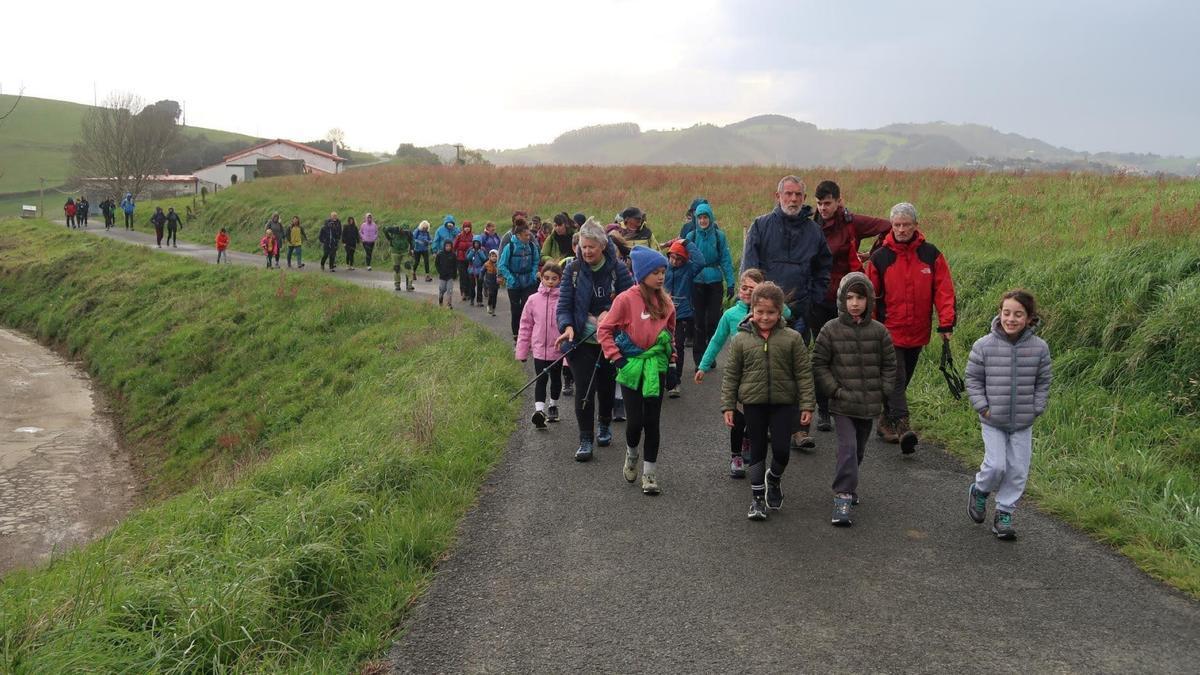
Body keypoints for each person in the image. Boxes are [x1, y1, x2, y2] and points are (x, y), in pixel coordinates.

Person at [740, 175, 832, 451]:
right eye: (788, 194)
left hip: (800, 313)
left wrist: (813, 299)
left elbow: (823, 267)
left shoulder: (814, 231)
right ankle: (762, 425)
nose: (793, 200)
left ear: (804, 199)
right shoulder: (761, 226)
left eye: (798, 195)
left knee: (796, 371)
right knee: (762, 370)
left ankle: (799, 429)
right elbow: (749, 271)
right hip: (764, 314)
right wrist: (754, 308)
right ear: (777, 195)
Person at [720, 281, 815, 521]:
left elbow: (804, 373)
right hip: (753, 403)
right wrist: (728, 405)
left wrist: (806, 405)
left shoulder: (792, 339)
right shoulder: (741, 340)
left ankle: (773, 479)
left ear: (780, 311)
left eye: (771, 312)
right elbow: (731, 375)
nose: (765, 317)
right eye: (760, 311)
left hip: (784, 404)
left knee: (782, 451)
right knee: (758, 450)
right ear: (752, 310)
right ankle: (757, 499)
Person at [866, 202, 956, 452]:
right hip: (888, 331)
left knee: (901, 382)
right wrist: (868, 328)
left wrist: (946, 323)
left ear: (916, 225)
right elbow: (870, 296)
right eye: (897, 225)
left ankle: (885, 422)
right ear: (891, 227)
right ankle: (904, 427)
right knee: (896, 378)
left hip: (918, 332)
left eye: (906, 225)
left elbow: (944, 290)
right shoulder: (880, 258)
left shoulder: (931, 254)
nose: (902, 229)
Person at [812, 272, 898, 527]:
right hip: (842, 403)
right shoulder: (831, 329)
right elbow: (819, 364)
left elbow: (890, 364)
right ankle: (843, 495)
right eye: (849, 297)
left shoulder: (879, 332)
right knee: (847, 447)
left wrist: (883, 390)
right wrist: (834, 390)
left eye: (860, 297)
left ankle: (850, 482)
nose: (855, 303)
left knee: (858, 450)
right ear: (841, 300)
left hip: (869, 403)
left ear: (869, 299)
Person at [965, 289, 1052, 540]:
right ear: (999, 313)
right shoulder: (984, 346)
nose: (1011, 319)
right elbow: (973, 379)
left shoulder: (1039, 348)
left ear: (1029, 318)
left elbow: (1044, 381)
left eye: (1018, 314)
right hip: (993, 419)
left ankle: (1004, 513)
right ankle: (980, 491)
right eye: (1006, 313)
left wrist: (1037, 407)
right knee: (995, 465)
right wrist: (983, 406)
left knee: (1017, 470)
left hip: (1023, 421)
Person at [810, 180, 894, 432]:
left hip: (847, 300)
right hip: (817, 297)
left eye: (827, 203)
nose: (823, 208)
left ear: (838, 201)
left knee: (842, 356)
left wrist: (872, 254)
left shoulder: (851, 222)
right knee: (821, 354)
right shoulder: (811, 225)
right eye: (819, 203)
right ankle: (822, 410)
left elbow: (887, 226)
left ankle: (842, 406)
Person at [695, 268, 794, 478]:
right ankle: (736, 455)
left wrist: (766, 296)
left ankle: (750, 440)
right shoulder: (731, 314)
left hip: (760, 375)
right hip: (739, 373)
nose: (747, 292)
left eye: (752, 288)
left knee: (755, 418)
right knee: (738, 419)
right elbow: (716, 340)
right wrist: (703, 365)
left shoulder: (769, 313)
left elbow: (787, 313)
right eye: (744, 287)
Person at [598, 247, 675, 495]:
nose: (661, 276)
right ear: (641, 273)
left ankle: (649, 473)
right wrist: (617, 358)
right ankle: (632, 453)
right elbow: (605, 330)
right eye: (655, 272)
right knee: (635, 422)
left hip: (656, 366)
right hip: (631, 367)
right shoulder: (625, 299)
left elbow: (669, 335)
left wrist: (671, 362)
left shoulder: (666, 300)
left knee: (653, 421)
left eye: (663, 271)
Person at [556, 218, 635, 461]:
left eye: (591, 246)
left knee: (606, 386)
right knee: (583, 389)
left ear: (602, 246)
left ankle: (604, 423)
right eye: (583, 246)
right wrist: (567, 326)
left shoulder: (617, 269)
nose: (586, 251)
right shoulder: (573, 270)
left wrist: (609, 313)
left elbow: (630, 302)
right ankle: (585, 438)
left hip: (610, 341)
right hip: (580, 340)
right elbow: (564, 305)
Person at [686, 202, 736, 371]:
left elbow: (726, 260)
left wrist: (730, 283)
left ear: (710, 218)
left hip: (715, 281)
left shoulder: (719, 236)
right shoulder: (691, 236)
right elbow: (684, 261)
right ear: (696, 219)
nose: (702, 220)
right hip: (696, 282)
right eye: (699, 217)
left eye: (705, 217)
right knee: (698, 322)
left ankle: (710, 355)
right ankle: (699, 360)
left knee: (713, 321)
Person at [516, 263, 566, 430]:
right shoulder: (532, 300)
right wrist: (522, 351)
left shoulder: (564, 300)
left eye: (554, 278)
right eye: (546, 278)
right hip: (538, 349)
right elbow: (525, 326)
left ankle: (553, 405)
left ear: (560, 279)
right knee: (541, 379)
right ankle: (539, 412)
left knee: (556, 379)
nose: (550, 282)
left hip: (558, 348)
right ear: (541, 277)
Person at [663, 238, 705, 397]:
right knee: (661, 347)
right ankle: (662, 378)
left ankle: (675, 382)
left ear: (685, 260)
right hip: (661, 314)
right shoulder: (662, 268)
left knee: (678, 346)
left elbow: (701, 261)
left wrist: (687, 243)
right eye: (672, 257)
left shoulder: (688, 269)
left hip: (680, 315)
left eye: (679, 259)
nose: (674, 261)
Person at [498, 219, 541, 343]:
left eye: (529, 235)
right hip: (514, 284)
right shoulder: (509, 247)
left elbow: (535, 262)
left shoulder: (532, 247)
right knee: (516, 310)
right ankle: (517, 337)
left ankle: (528, 336)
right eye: (526, 235)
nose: (529, 237)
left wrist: (533, 275)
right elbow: (502, 265)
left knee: (528, 310)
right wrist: (510, 278)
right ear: (518, 235)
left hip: (529, 282)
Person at [383, 223, 415, 291]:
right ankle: (397, 285)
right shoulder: (394, 229)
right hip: (395, 252)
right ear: (400, 228)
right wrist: (389, 239)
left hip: (405, 251)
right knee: (396, 268)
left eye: (406, 230)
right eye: (403, 230)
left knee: (408, 266)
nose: (404, 231)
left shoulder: (408, 233)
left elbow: (412, 241)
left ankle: (409, 285)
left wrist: (412, 249)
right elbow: (384, 230)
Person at [453, 221, 476, 302]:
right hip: (460, 259)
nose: (467, 229)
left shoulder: (473, 236)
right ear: (463, 228)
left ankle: (469, 293)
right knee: (462, 276)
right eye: (465, 227)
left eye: (468, 227)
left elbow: (475, 246)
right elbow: (454, 246)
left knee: (469, 276)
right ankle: (463, 293)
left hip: (469, 260)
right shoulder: (459, 236)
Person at [435, 240, 457, 308]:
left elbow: (455, 265)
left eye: (449, 246)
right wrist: (439, 271)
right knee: (442, 289)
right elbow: (437, 264)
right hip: (442, 275)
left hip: (450, 275)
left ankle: (449, 304)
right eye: (446, 246)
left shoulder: (453, 255)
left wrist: (455, 274)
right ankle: (440, 299)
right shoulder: (440, 254)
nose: (448, 247)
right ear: (444, 246)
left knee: (449, 290)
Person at [467, 239, 488, 306]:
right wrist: (472, 252)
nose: (476, 245)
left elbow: (485, 258)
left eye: (477, 243)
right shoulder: (470, 249)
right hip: (471, 270)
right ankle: (472, 299)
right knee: (472, 286)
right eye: (475, 243)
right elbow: (467, 258)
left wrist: (480, 252)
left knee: (480, 286)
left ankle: (479, 301)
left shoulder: (483, 250)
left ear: (480, 243)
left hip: (480, 270)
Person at [483, 249, 500, 316]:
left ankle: (493, 309)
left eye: (495, 256)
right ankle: (489, 305)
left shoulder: (499, 264)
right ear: (489, 257)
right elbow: (482, 271)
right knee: (491, 294)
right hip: (489, 282)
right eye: (492, 256)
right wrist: (481, 277)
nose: (494, 258)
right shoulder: (487, 264)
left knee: (495, 296)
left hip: (496, 282)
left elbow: (501, 272)